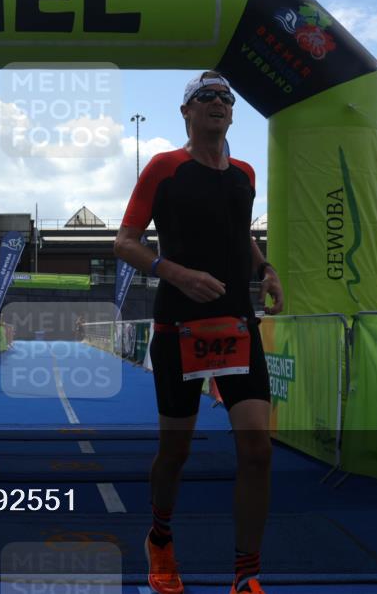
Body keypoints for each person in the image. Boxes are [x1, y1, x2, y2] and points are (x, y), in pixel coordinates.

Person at [114, 72, 284, 594]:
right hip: (177, 326)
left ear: (232, 113)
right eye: (205, 97)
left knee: (257, 450)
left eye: (226, 98)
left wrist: (264, 269)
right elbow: (125, 242)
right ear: (186, 111)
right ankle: (160, 539)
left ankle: (245, 575)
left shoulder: (245, 174)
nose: (218, 103)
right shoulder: (165, 168)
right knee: (176, 452)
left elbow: (240, 234)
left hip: (236, 324)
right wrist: (176, 272)